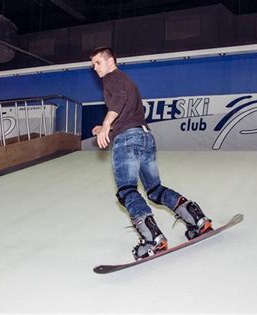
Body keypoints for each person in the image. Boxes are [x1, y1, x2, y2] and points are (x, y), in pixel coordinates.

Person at [90, 46, 213, 260]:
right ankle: (197, 220)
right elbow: (131, 111)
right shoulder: (127, 81)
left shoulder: (112, 78)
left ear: (110, 61)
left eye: (98, 63)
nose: (95, 68)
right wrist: (106, 128)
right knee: (154, 189)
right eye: (92, 65)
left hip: (128, 140)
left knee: (127, 190)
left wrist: (107, 121)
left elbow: (119, 98)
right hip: (145, 137)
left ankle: (152, 240)